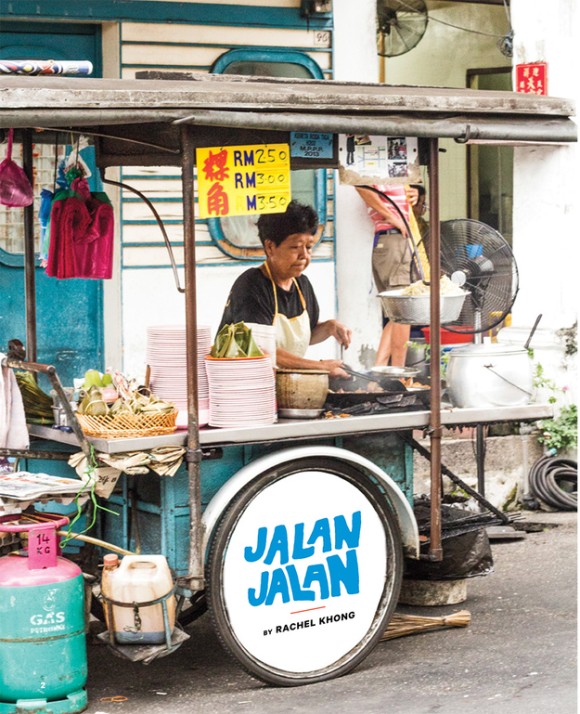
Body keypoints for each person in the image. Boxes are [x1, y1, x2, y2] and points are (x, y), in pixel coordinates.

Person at [218, 200, 351, 377]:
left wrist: (329, 327)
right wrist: (320, 367)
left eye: (309, 246)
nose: (304, 255)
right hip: (244, 384)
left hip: (284, 385)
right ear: (270, 247)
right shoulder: (251, 285)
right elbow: (262, 349)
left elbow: (304, 337)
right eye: (295, 247)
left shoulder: (302, 284)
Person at [355, 183, 420, 367]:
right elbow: (362, 187)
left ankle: (379, 374)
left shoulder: (398, 174)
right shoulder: (380, 168)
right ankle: (399, 376)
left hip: (393, 242)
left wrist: (412, 195)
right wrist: (393, 218)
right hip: (394, 241)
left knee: (396, 315)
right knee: (403, 311)